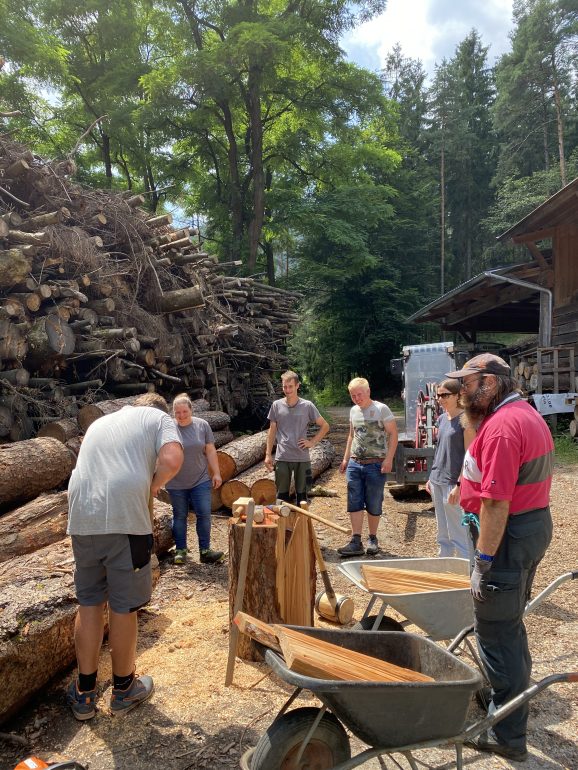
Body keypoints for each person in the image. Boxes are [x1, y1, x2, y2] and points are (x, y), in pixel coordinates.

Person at [446, 353, 554, 762]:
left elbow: (495, 505)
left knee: (494, 629)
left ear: (489, 383)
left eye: (467, 383)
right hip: (527, 528)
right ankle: (508, 698)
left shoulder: (506, 427)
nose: (461, 390)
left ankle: (507, 733)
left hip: (507, 537)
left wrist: (483, 562)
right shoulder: (522, 413)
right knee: (508, 624)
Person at [66, 393, 184, 720]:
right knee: (123, 606)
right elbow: (173, 460)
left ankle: (85, 694)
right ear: (159, 409)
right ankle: (123, 688)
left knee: (89, 602)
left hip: (81, 515)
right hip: (123, 518)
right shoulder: (159, 419)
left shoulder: (102, 421)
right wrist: (152, 485)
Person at [338, 377, 398, 557]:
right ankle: (356, 541)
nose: (357, 398)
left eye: (360, 394)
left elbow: (393, 434)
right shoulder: (353, 411)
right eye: (353, 395)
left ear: (368, 391)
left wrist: (388, 460)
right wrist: (345, 459)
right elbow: (351, 435)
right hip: (355, 464)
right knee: (354, 501)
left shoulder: (381, 409)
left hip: (375, 464)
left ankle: (372, 538)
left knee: (373, 501)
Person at [166, 393, 224, 565]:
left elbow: (211, 450)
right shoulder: (168, 428)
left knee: (204, 514)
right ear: (173, 413)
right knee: (179, 515)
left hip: (200, 479)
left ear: (191, 410)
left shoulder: (202, 425)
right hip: (175, 481)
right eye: (178, 413)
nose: (182, 416)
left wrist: (217, 473)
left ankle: (205, 550)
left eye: (185, 411)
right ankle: (181, 550)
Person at [425, 378, 476, 561]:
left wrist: (460, 484)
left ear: (458, 395)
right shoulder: (441, 419)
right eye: (439, 395)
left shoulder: (466, 421)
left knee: (457, 529)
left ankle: (466, 566)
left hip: (453, 481)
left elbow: (469, 457)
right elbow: (439, 450)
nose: (441, 399)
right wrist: (431, 477)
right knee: (442, 529)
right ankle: (444, 561)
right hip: (438, 479)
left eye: (445, 395)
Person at [264, 370, 329, 504]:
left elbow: (325, 426)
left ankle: (302, 524)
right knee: (281, 498)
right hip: (282, 457)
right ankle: (284, 525)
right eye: (284, 387)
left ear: (297, 385)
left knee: (303, 498)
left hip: (302, 458)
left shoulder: (307, 406)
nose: (287, 390)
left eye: (290, 386)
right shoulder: (276, 405)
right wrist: (268, 454)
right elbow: (272, 431)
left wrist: (312, 442)